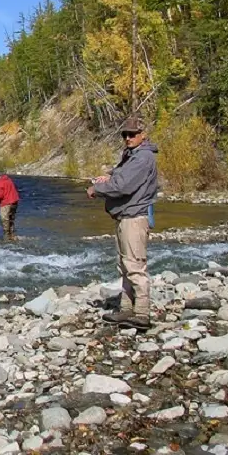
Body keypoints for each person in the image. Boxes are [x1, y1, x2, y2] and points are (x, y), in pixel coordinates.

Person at [87, 117, 158, 330]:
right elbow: (120, 176)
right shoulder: (131, 155)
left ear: (143, 135)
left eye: (132, 134)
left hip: (134, 217)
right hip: (125, 216)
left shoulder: (143, 158)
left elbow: (123, 186)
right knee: (124, 265)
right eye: (125, 134)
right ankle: (127, 309)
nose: (128, 138)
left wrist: (96, 190)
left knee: (135, 265)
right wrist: (106, 177)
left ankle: (142, 314)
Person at [0, 173, 20, 240]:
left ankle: (6, 235)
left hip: (6, 203)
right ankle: (13, 235)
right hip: (14, 202)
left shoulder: (0, 184)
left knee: (4, 219)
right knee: (11, 218)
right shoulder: (8, 179)